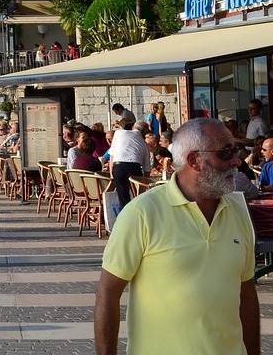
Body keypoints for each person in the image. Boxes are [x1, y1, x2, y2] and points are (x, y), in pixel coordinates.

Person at [94, 117, 258, 355]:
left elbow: (247, 294)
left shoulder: (237, 212)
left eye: (236, 151)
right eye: (225, 153)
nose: (236, 160)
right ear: (194, 160)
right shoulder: (142, 213)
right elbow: (108, 294)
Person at [107, 117, 150, 211]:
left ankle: (124, 218)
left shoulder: (119, 133)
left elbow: (112, 155)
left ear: (133, 127)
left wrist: (111, 173)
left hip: (119, 167)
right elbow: (147, 169)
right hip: (135, 168)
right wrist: (144, 187)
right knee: (137, 197)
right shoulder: (144, 144)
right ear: (144, 133)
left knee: (123, 198)